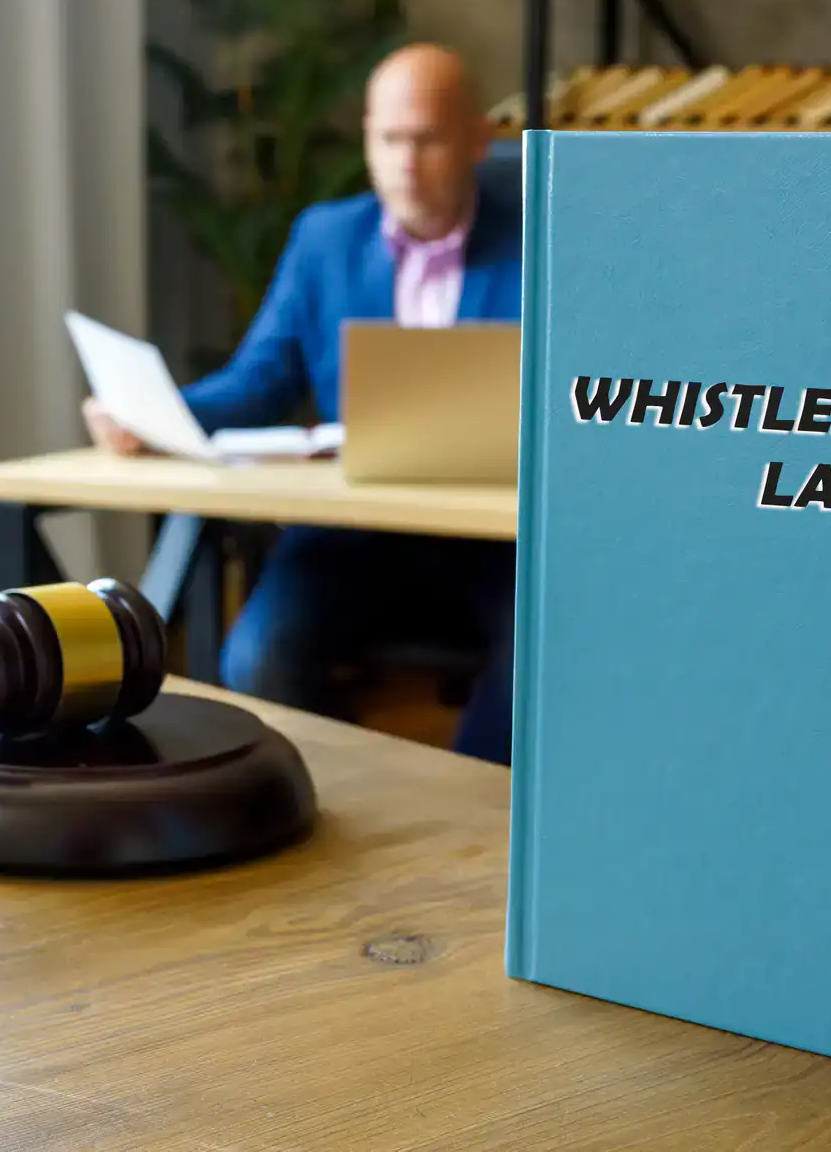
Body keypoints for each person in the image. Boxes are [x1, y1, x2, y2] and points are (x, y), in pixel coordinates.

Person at [82, 43, 521, 765]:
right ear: (367, 139)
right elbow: (260, 380)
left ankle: (474, 813)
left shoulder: (537, 242)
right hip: (355, 530)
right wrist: (153, 414)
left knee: (547, 657)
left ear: (478, 139)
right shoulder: (324, 239)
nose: (405, 162)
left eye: (428, 138)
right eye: (389, 139)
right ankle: (358, 796)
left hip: (494, 540)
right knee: (258, 654)